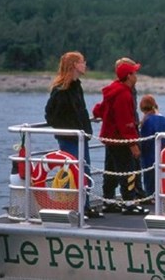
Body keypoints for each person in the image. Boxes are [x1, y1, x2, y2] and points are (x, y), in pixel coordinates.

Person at [44, 51, 102, 218]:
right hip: (69, 139)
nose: (85, 65)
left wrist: (84, 129)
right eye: (83, 62)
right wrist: (69, 128)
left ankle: (84, 205)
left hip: (81, 137)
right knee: (73, 174)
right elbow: (50, 114)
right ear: (75, 65)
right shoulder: (62, 90)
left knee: (84, 173)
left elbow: (81, 111)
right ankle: (73, 207)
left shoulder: (77, 86)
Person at [92, 58, 148, 215]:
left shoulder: (113, 89)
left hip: (110, 138)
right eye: (134, 73)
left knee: (110, 170)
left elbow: (102, 108)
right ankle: (129, 203)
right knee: (127, 171)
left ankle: (108, 201)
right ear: (129, 76)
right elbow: (126, 122)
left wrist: (96, 113)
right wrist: (133, 144)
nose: (136, 76)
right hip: (120, 140)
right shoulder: (124, 94)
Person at [139, 94, 165, 201]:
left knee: (150, 179)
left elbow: (145, 141)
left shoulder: (147, 121)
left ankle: (151, 197)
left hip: (149, 156)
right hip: (164, 155)